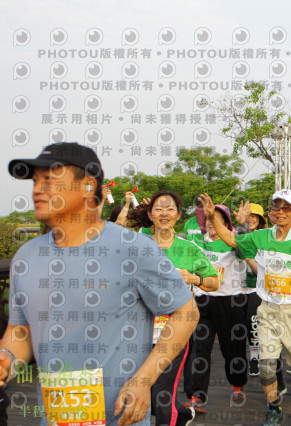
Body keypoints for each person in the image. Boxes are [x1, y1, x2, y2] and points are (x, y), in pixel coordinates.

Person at [4, 142, 200, 426]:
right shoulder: (27, 256)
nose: (37, 189)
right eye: (35, 181)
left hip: (121, 417)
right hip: (55, 416)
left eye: (50, 180)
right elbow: (21, 330)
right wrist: (8, 359)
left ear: (87, 186)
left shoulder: (133, 248)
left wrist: (144, 380)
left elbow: (187, 313)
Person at [200, 189, 291, 426]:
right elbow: (233, 239)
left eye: (287, 207)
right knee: (266, 367)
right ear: (271, 211)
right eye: (277, 207)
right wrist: (213, 216)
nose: (281, 212)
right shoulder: (262, 236)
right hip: (268, 310)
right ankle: (273, 407)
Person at [129, 190, 219, 425]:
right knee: (142, 390)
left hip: (173, 334)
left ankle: (172, 417)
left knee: (161, 394)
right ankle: (181, 415)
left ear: (178, 215)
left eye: (170, 209)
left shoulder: (189, 249)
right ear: (150, 215)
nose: (164, 213)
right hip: (137, 334)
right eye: (158, 209)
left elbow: (214, 282)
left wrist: (194, 279)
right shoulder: (136, 247)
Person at [185, 204, 250, 411]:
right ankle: (197, 395)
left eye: (217, 219)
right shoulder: (196, 242)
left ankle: (238, 383)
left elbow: (245, 245)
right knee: (199, 349)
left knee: (232, 347)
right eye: (209, 218)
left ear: (226, 222)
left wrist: (243, 227)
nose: (212, 223)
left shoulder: (233, 241)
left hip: (230, 301)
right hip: (202, 300)